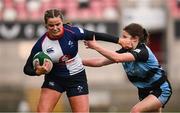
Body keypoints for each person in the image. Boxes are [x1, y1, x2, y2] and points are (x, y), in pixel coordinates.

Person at [23, 8, 120, 113]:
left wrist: (120, 41)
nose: (55, 28)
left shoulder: (72, 32)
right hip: (54, 79)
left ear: (62, 23)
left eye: (58, 24)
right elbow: (27, 68)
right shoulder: (41, 44)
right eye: (51, 25)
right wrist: (37, 72)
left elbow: (95, 35)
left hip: (76, 77)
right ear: (46, 25)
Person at [83, 23, 172, 113]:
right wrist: (79, 62)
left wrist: (96, 46)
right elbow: (100, 61)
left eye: (125, 37)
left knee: (135, 111)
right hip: (144, 91)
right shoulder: (125, 51)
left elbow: (117, 58)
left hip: (160, 89)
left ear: (135, 39)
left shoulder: (143, 52)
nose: (121, 40)